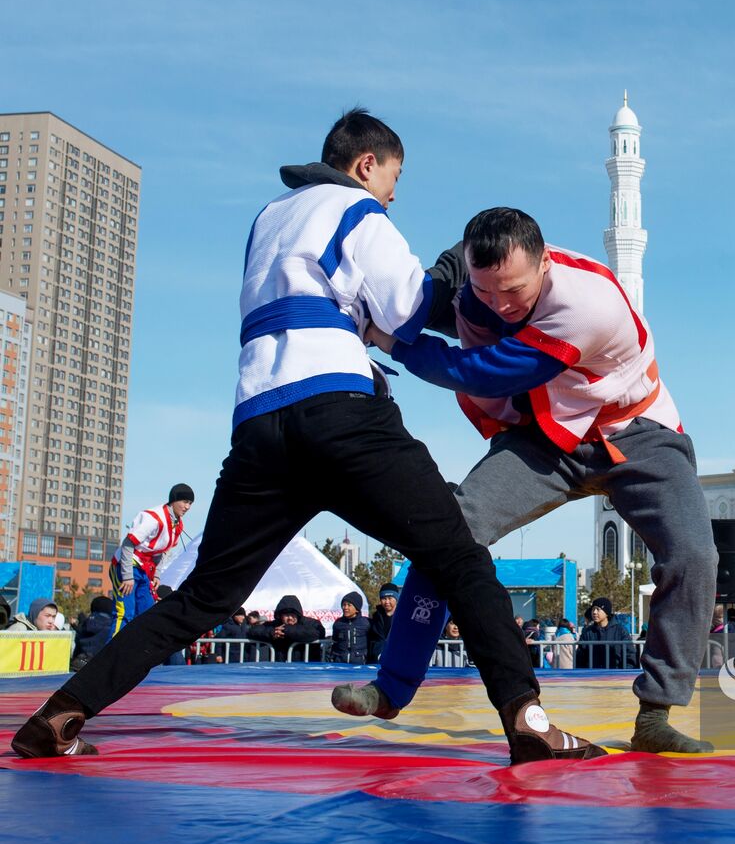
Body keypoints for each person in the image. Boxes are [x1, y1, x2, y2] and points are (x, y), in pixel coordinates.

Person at [11, 109, 600, 765]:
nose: (395, 194)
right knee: (459, 559)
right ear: (366, 164)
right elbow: (406, 315)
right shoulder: (358, 211)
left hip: (260, 421)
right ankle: (528, 719)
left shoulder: (268, 218)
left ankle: (60, 714)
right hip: (339, 412)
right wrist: (457, 277)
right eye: (394, 177)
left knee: (205, 596)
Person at [332, 206, 717, 754]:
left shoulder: (587, 304)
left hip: (633, 432)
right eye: (486, 292)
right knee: (449, 533)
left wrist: (388, 341)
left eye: (513, 290)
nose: (500, 305)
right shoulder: (478, 291)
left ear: (544, 262)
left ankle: (655, 715)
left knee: (694, 556)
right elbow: (423, 297)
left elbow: (476, 371)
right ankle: (391, 687)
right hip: (544, 439)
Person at [107, 484, 194, 640]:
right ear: (174, 500)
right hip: (126, 564)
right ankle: (110, 659)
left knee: (146, 614)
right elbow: (128, 544)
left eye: (190, 503)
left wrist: (157, 575)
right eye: (185, 501)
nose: (187, 507)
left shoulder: (178, 525)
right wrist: (127, 576)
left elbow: (162, 551)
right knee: (124, 613)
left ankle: (137, 657)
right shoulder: (153, 518)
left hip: (145, 569)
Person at [576, 598, 637, 669]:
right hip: (592, 676)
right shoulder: (587, 632)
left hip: (616, 676)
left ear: (606, 612)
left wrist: (626, 672)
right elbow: (580, 657)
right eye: (593, 609)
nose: (594, 612)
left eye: (598, 609)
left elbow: (630, 654)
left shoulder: (620, 631)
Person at [71, 598, 117, 671]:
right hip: (102, 663)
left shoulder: (85, 625)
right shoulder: (111, 626)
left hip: (81, 661)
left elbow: (77, 647)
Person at [328, 592, 370, 665]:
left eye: (349, 605)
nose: (345, 608)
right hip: (340, 661)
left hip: (359, 662)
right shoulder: (338, 623)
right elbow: (335, 640)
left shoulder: (365, 623)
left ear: (357, 609)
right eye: (344, 605)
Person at [366, 583, 399, 664]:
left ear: (396, 599)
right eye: (384, 598)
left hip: (397, 661)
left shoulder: (403, 618)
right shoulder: (375, 618)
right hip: (376, 662)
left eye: (390, 598)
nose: (387, 602)